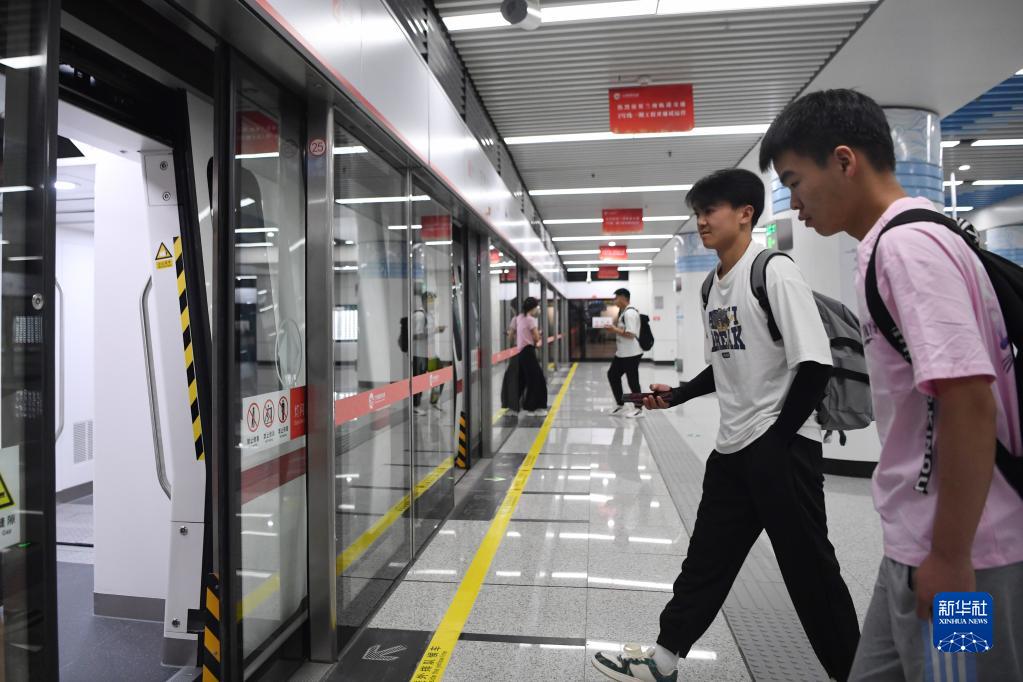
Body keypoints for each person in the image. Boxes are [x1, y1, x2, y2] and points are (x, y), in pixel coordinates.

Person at [759, 89, 1023, 681]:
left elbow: (969, 402)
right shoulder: (904, 239)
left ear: (844, 161)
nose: (794, 203)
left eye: (796, 182)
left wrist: (950, 557)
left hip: (963, 555)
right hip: (918, 541)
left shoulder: (906, 249)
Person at [592, 168, 860, 682]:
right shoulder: (710, 287)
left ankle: (853, 672)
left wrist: (777, 441)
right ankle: (663, 660)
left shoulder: (773, 271)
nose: (701, 221)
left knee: (810, 573)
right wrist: (679, 394)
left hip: (783, 450)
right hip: (733, 448)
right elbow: (727, 362)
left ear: (744, 214)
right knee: (706, 560)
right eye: (697, 212)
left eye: (709, 210)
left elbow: (815, 363)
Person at [606, 288, 645, 418]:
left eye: (616, 298)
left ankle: (639, 408)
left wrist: (614, 330)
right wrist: (615, 329)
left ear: (623, 297)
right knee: (613, 375)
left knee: (632, 381)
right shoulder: (623, 312)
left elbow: (631, 334)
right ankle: (620, 404)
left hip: (632, 353)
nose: (614, 301)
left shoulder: (630, 313)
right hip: (622, 353)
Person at [411, 291, 445, 416]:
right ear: (425, 301)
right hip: (420, 353)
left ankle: (434, 400)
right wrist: (435, 330)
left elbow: (429, 331)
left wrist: (436, 330)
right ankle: (415, 406)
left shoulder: (430, 315)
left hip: (430, 353)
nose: (434, 304)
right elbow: (417, 335)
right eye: (432, 301)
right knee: (419, 381)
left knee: (440, 374)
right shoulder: (419, 316)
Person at [515, 296, 548, 416]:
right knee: (537, 380)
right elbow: (536, 338)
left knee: (526, 379)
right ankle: (535, 408)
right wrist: (539, 334)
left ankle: (522, 406)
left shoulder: (519, 318)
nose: (538, 309)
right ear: (533, 308)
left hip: (521, 352)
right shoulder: (530, 320)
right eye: (537, 307)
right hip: (528, 351)